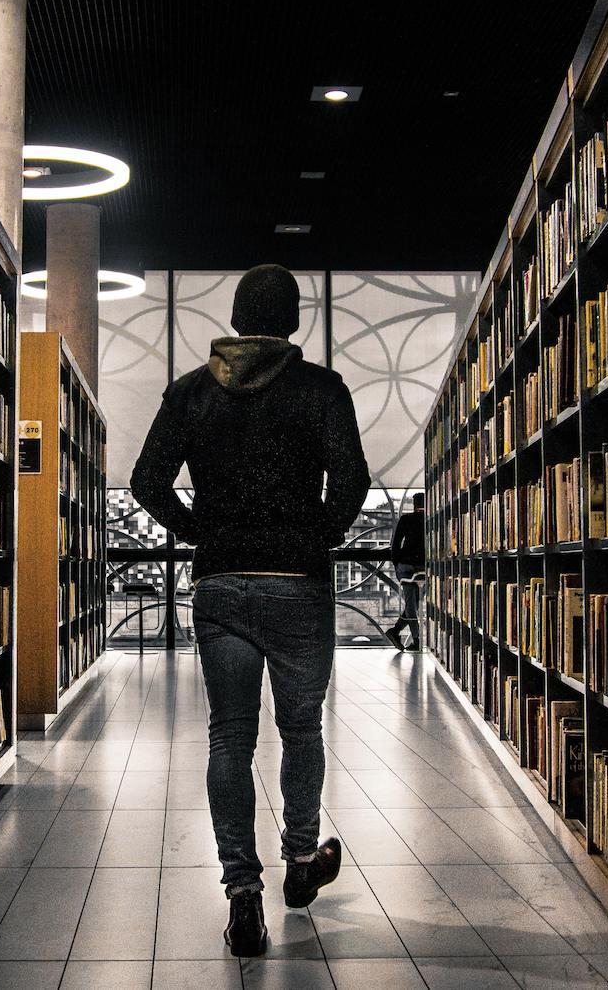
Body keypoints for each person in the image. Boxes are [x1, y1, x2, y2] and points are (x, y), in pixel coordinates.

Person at [131, 264, 370, 957]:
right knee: (300, 729)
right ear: (293, 319)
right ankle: (300, 864)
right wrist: (315, 534)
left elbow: (149, 480)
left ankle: (242, 896)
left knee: (229, 738)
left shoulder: (190, 392)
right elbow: (351, 478)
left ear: (236, 317)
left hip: (221, 584)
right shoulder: (322, 388)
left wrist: (200, 531)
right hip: (298, 580)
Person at [384, 492, 425, 651]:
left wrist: (396, 565)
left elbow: (395, 544)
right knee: (414, 603)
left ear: (414, 505)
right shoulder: (432, 520)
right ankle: (407, 636)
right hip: (424, 566)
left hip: (406, 565)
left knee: (411, 604)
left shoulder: (406, 519)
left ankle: (411, 637)